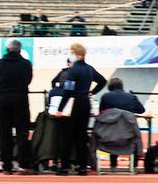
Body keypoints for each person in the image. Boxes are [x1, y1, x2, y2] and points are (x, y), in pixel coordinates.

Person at [54, 43, 107, 175]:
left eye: (71, 52)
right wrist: (92, 92)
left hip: (73, 104)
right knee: (81, 136)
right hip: (85, 103)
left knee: (67, 136)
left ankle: (64, 167)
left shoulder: (72, 71)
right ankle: (82, 166)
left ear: (76, 54)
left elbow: (68, 91)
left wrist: (60, 109)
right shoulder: (89, 69)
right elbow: (102, 81)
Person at [0, 40, 34, 174]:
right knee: (22, 133)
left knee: (5, 133)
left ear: (8, 49)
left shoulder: (1, 63)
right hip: (20, 100)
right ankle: (23, 164)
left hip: (3, 100)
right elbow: (28, 80)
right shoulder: (26, 64)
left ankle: (7, 166)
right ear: (19, 50)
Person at [98, 77, 145, 169]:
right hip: (128, 135)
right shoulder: (131, 97)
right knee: (134, 135)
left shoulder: (105, 97)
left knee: (114, 130)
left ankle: (113, 164)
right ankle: (134, 165)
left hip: (109, 136)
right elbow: (141, 110)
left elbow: (101, 113)